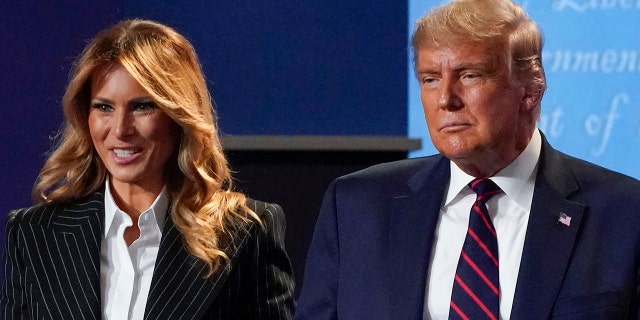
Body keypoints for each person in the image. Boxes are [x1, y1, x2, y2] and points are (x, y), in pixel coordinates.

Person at [294, 0, 640, 319]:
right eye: (430, 79)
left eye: (469, 75)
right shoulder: (358, 205)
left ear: (530, 90)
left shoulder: (624, 213)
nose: (445, 99)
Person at [1, 19, 295, 320]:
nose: (120, 129)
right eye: (103, 107)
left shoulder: (245, 234)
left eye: (142, 106)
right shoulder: (34, 234)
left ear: (178, 115)